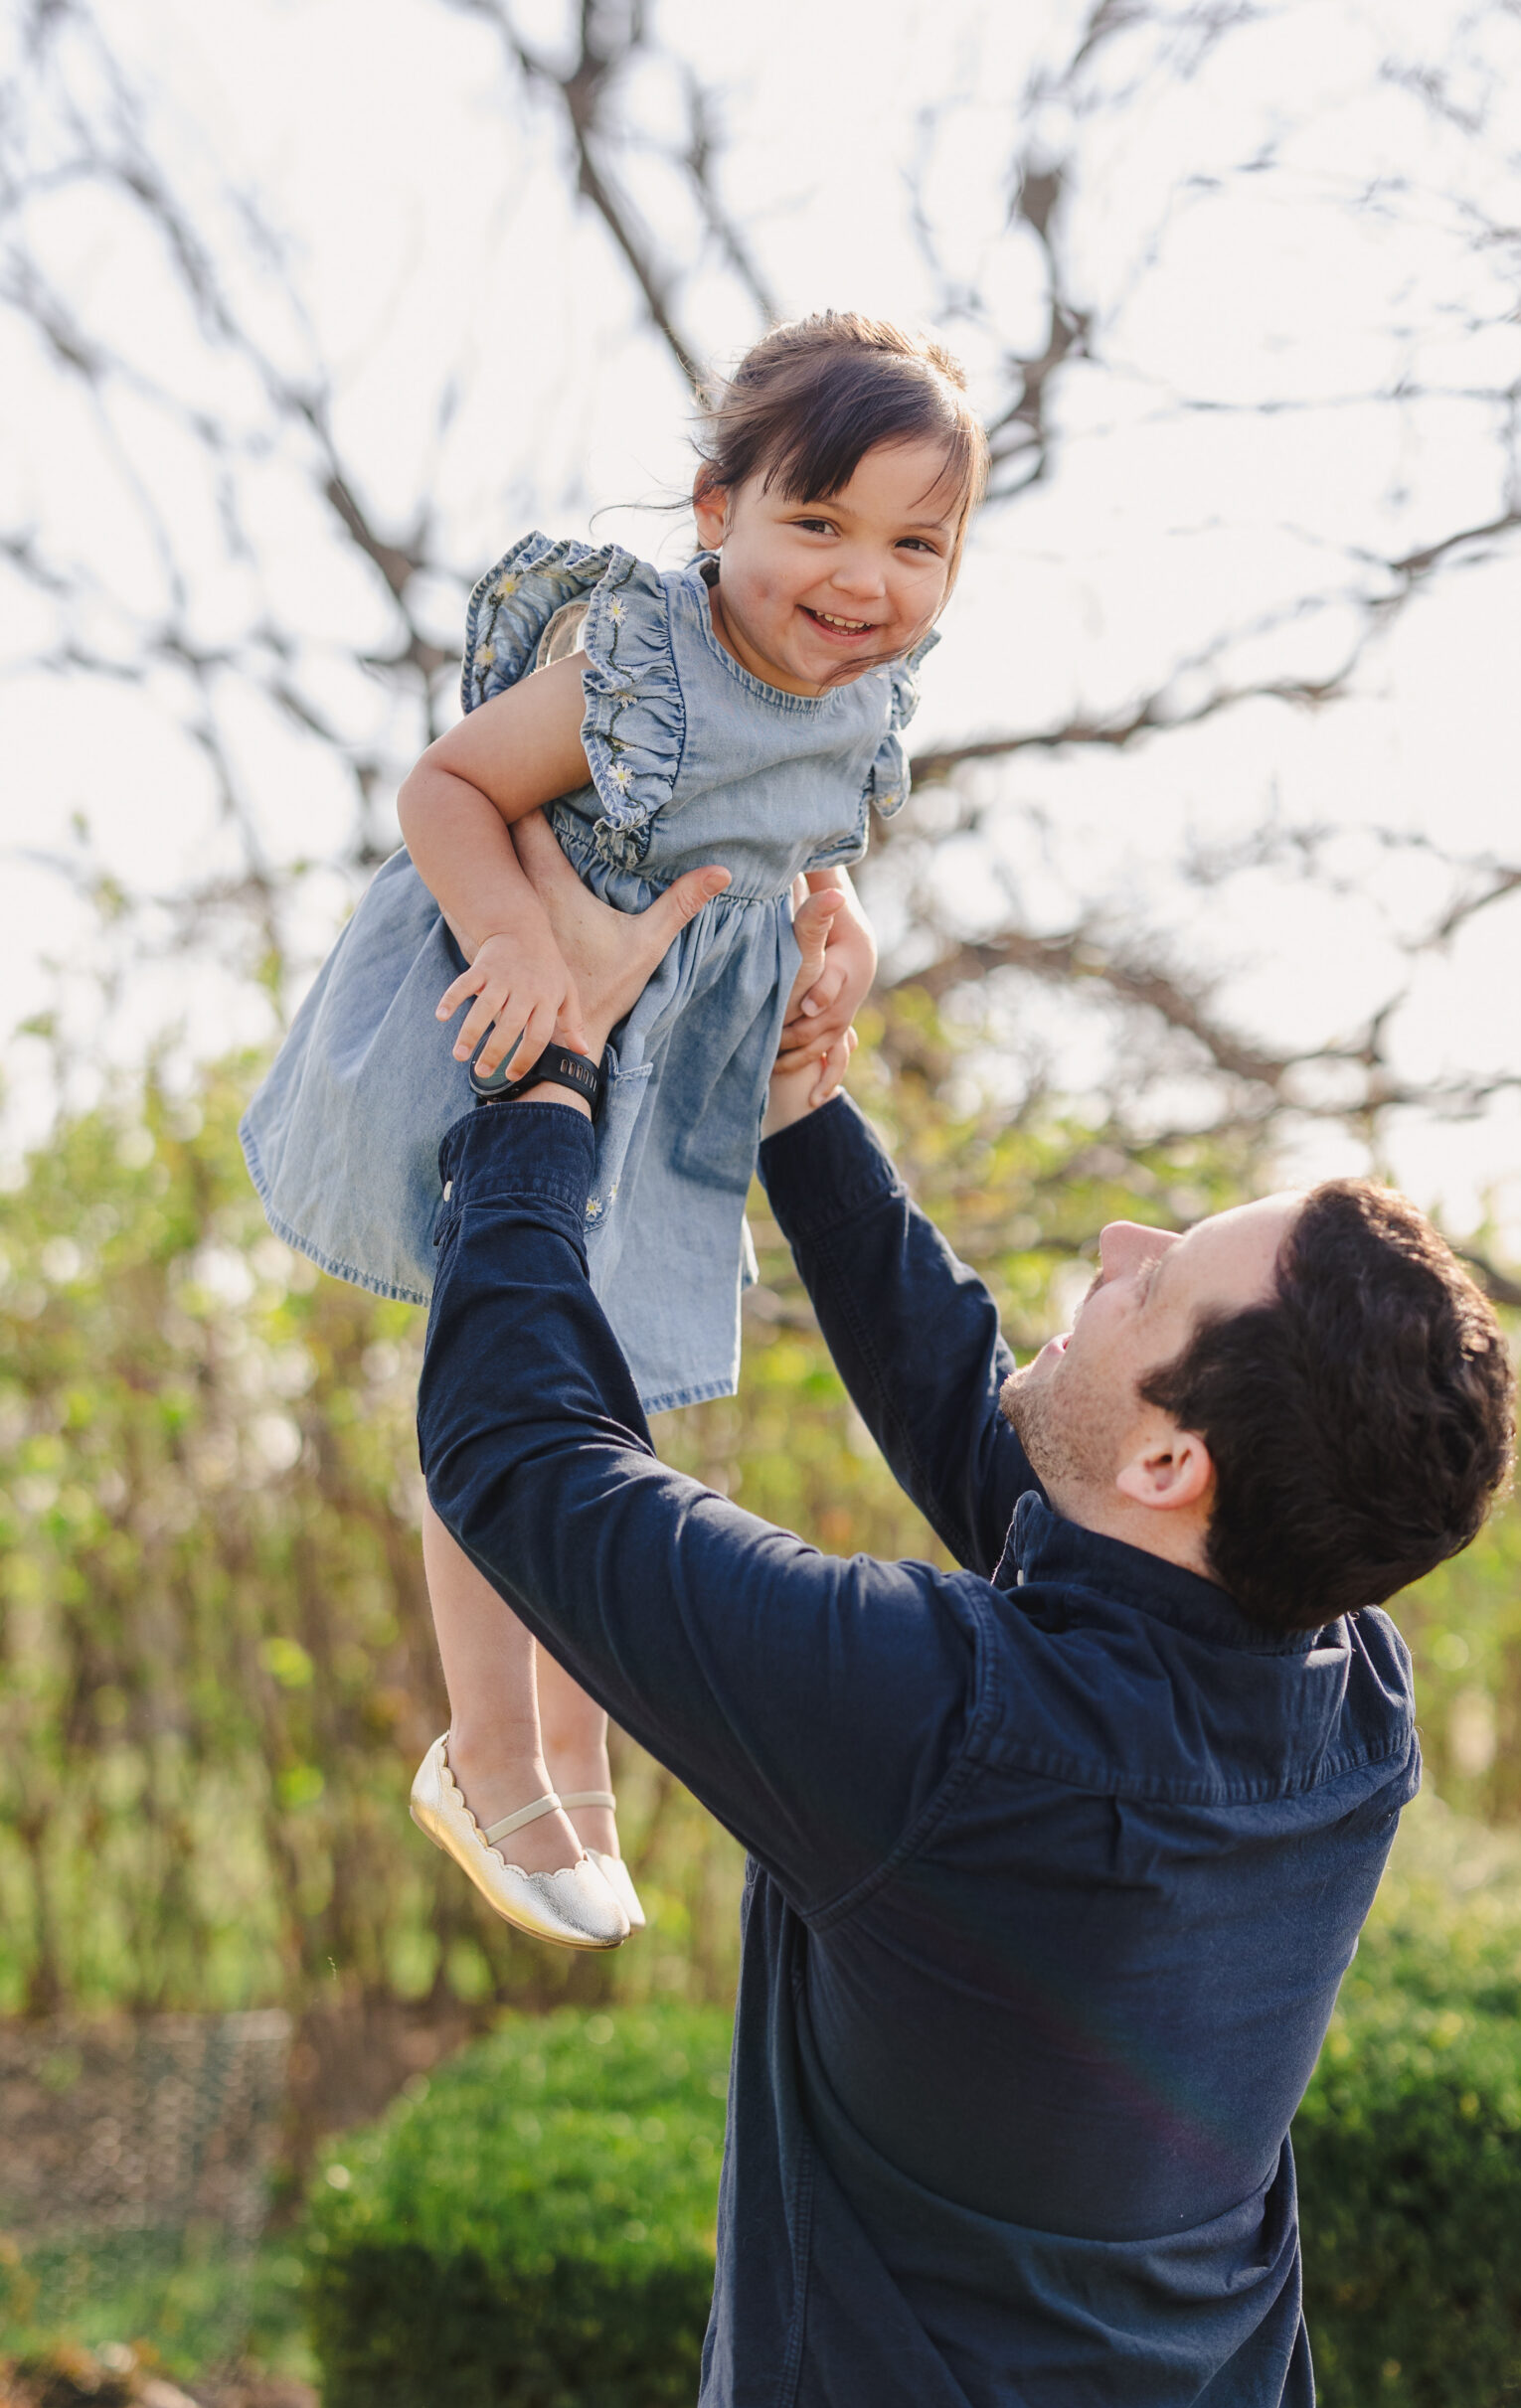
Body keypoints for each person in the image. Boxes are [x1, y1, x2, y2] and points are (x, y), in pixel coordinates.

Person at [415, 855, 1517, 2408]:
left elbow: (523, 1459)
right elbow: (1021, 1461)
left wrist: (538, 1070)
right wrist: (804, 1107)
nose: (1116, 1242)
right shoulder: (1341, 1696)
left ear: (1175, 1457)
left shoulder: (948, 1741)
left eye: (1154, 1279)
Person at [240, 312, 990, 1950]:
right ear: (718, 511)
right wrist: (512, 935)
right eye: (819, 523)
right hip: (516, 1029)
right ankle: (488, 1748)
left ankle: (573, 1756)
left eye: (915, 543)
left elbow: (805, 847)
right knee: (506, 1370)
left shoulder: (865, 708)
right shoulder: (644, 666)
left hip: (666, 1090)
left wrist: (837, 929)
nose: (865, 578)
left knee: (614, 1405)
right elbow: (444, 787)